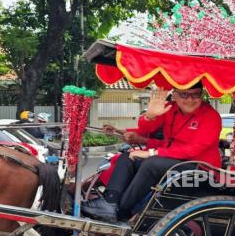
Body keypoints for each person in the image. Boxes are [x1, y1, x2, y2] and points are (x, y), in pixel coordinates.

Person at [81, 81, 222, 222]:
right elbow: (148, 131)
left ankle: (121, 211)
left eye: (195, 95)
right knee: (127, 158)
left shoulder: (211, 116)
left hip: (201, 171)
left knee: (152, 164)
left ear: (201, 95)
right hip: (174, 164)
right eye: (184, 94)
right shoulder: (170, 110)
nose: (190, 100)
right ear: (175, 95)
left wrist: (153, 152)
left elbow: (192, 150)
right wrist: (150, 116)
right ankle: (109, 202)